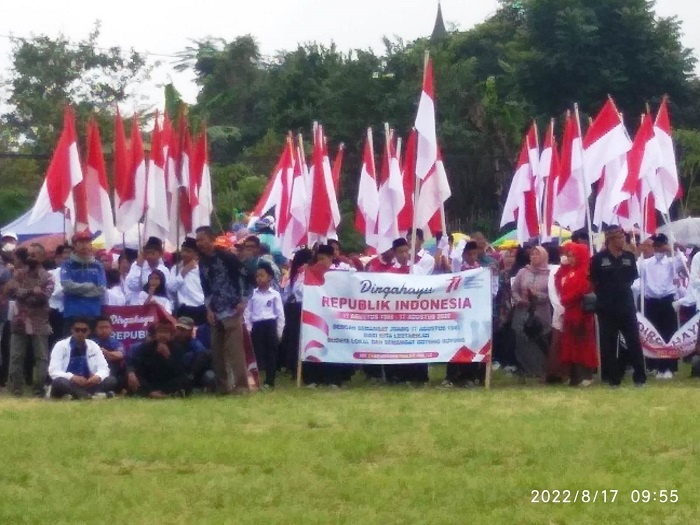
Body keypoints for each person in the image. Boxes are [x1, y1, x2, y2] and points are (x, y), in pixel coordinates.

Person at [196, 226, 250, 395]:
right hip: (215, 311)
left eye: (202, 239)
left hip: (232, 309)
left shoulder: (227, 257)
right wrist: (208, 309)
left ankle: (241, 386)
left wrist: (243, 300)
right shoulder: (202, 262)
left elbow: (247, 276)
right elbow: (206, 288)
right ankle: (222, 387)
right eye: (197, 241)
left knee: (235, 351)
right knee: (217, 352)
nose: (199, 243)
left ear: (212, 239)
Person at [590, 226, 646, 387]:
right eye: (619, 238)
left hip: (626, 306)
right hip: (606, 307)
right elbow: (593, 282)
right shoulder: (598, 259)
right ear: (610, 240)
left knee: (634, 342)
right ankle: (613, 379)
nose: (623, 241)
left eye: (623, 237)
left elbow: (632, 278)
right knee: (608, 344)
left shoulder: (628, 257)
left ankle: (640, 378)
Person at [5, 245, 54, 396]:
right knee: (15, 357)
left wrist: (27, 294)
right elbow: (14, 292)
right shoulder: (19, 273)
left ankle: (38, 389)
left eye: (34, 255)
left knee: (41, 357)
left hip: (39, 323)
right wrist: (33, 291)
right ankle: (16, 388)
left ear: (42, 257)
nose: (30, 257)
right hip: (19, 322)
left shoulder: (48, 277)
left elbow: (44, 296)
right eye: (29, 254)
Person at [639, 233, 684, 378]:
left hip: (667, 300)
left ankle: (670, 367)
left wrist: (671, 250)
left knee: (669, 333)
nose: (658, 250)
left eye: (661, 247)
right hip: (652, 301)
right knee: (654, 333)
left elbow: (682, 264)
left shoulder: (671, 262)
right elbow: (637, 271)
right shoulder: (646, 263)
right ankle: (658, 366)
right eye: (656, 247)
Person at [557, 243, 597, 386]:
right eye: (569, 256)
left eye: (573, 255)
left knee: (582, 343)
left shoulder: (583, 272)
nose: (570, 258)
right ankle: (574, 376)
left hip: (580, 313)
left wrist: (566, 298)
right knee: (571, 344)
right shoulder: (570, 272)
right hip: (570, 312)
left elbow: (581, 290)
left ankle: (586, 375)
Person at [48, 316, 116, 399]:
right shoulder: (60, 345)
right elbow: (53, 371)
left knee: (111, 380)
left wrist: (97, 377)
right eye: (77, 330)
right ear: (72, 330)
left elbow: (104, 369)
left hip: (89, 383)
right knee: (59, 382)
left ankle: (76, 396)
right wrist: (72, 377)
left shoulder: (93, 346)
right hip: (69, 383)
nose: (80, 333)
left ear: (89, 332)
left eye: (84, 330)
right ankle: (90, 396)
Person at [511, 246, 551, 379]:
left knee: (539, 340)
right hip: (522, 311)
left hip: (540, 312)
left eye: (537, 254)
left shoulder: (549, 274)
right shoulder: (523, 272)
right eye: (532, 254)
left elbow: (551, 295)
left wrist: (536, 295)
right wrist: (519, 300)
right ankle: (526, 369)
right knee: (522, 341)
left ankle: (540, 370)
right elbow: (514, 289)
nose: (534, 257)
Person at [244, 262, 285, 389]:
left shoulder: (274, 295)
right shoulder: (253, 294)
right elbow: (248, 312)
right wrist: (248, 329)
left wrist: (279, 331)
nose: (259, 278)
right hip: (257, 326)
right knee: (256, 354)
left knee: (271, 354)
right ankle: (254, 380)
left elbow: (280, 314)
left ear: (270, 277)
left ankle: (269, 381)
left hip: (270, 325)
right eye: (257, 276)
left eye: (262, 275)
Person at [126, 320, 190, 398]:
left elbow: (180, 371)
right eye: (160, 332)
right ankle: (151, 393)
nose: (162, 335)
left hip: (168, 381)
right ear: (155, 335)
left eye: (165, 333)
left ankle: (161, 393)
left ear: (171, 335)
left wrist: (168, 356)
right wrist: (131, 373)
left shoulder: (177, 348)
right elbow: (133, 363)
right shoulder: (147, 347)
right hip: (150, 381)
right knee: (131, 377)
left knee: (185, 380)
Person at [61, 231, 106, 328]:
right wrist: (89, 286)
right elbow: (67, 286)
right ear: (74, 245)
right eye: (81, 242)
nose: (84, 245)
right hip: (72, 313)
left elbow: (101, 290)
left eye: (87, 242)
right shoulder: (67, 265)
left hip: (93, 313)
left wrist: (77, 290)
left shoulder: (97, 266)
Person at [279, 249, 313, 375]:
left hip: (304, 307)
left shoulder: (307, 273)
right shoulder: (295, 274)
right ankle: (293, 366)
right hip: (294, 308)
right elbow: (288, 292)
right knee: (294, 338)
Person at [168, 238, 206, 325]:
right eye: (183, 251)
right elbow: (171, 288)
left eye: (188, 251)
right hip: (184, 309)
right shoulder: (176, 269)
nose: (184, 254)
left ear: (196, 254)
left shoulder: (202, 268)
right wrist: (184, 272)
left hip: (201, 307)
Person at [172, 316, 214, 391]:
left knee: (209, 376)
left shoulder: (195, 344)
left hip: (192, 374)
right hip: (175, 374)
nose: (180, 332)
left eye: (184, 330)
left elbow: (203, 354)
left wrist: (192, 375)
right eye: (178, 329)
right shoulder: (170, 343)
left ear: (191, 331)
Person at [125, 236, 170, 305]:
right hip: (138, 304)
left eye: (152, 253)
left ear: (160, 254)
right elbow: (132, 286)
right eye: (147, 253)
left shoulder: (164, 270)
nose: (149, 256)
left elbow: (167, 291)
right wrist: (138, 267)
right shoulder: (137, 265)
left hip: (158, 306)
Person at [91, 316, 126, 391]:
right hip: (93, 375)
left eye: (107, 327)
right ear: (95, 330)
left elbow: (120, 355)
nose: (104, 330)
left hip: (111, 375)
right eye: (101, 328)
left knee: (115, 380)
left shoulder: (116, 343)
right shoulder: (90, 343)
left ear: (111, 329)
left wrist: (104, 352)